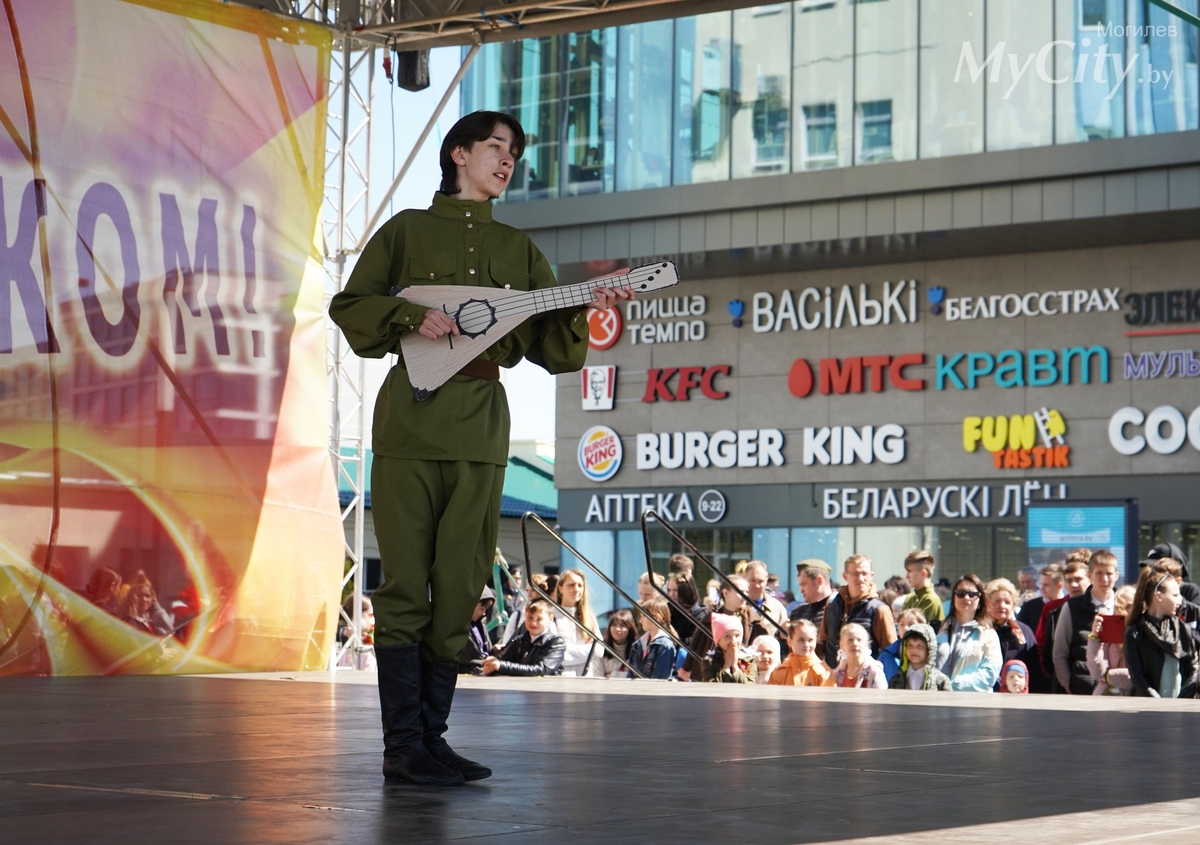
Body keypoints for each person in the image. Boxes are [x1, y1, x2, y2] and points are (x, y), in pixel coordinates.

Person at [329, 110, 633, 786]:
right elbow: (350, 308)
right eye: (496, 146)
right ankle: (402, 746)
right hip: (409, 419)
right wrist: (413, 315)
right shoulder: (406, 231)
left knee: (462, 584)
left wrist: (585, 305)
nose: (507, 160)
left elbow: (557, 353)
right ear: (458, 153)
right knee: (405, 583)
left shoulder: (519, 250)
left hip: (481, 424)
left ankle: (430, 740)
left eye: (514, 152)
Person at [1124, 566, 1198, 698]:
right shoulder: (1135, 631)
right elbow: (1137, 676)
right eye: (1175, 595)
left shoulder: (1182, 629)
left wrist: (1183, 698)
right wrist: (1157, 702)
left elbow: (1194, 667)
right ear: (1158, 596)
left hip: (1181, 704)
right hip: (1146, 705)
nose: (1180, 600)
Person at [1054, 550, 1120, 695]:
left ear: (1116, 575)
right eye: (1099, 573)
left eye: (1109, 573)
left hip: (1119, 689)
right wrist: (1069, 684)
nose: (1104, 579)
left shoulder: (1124, 604)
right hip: (1082, 688)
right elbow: (1059, 652)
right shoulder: (1073, 607)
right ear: (1090, 576)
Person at [820, 554, 897, 668]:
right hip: (832, 675)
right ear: (845, 576)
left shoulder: (879, 609)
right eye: (855, 574)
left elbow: (890, 652)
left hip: (865, 676)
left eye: (864, 574)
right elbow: (822, 643)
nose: (860, 578)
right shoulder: (832, 604)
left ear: (871, 576)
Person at [936, 574, 1001, 692]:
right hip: (937, 699)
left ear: (980, 600)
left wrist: (952, 685)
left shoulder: (989, 635)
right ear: (953, 597)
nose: (966, 598)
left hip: (972, 701)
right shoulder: (940, 630)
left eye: (972, 594)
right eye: (960, 593)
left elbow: (990, 674)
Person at [1036, 551, 1091, 692]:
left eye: (1078, 578)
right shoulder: (1054, 609)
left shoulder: (1105, 605)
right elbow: (1044, 646)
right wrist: (1059, 678)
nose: (1074, 584)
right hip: (1065, 684)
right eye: (1069, 579)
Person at [680, 574, 751, 681]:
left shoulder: (751, 618)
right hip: (715, 670)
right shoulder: (711, 619)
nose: (745, 595)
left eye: (746, 592)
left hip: (742, 670)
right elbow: (698, 643)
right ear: (726, 593)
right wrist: (687, 667)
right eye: (740, 591)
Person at [483, 600, 565, 677]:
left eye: (539, 619)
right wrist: (491, 667)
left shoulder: (556, 642)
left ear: (550, 618)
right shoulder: (519, 641)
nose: (533, 623)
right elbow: (504, 662)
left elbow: (543, 670)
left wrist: (500, 666)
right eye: (530, 617)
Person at [984, 578, 1038, 693]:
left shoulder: (1023, 632)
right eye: (996, 601)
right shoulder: (980, 631)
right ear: (987, 604)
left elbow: (1034, 668)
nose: (1002, 606)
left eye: (1007, 602)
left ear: (1013, 605)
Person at [1086, 585, 1135, 696]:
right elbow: (1097, 673)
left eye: (1128, 606)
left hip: (1133, 698)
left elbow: (1136, 677)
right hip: (1105, 696)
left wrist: (1108, 676)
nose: (1123, 612)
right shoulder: (1110, 632)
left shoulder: (1143, 633)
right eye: (1118, 607)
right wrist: (1095, 638)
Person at [554, 569, 601, 677]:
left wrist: (566, 647)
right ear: (560, 589)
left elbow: (599, 651)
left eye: (580, 585)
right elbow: (554, 656)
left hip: (585, 679)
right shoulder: (552, 616)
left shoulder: (589, 617)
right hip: (560, 679)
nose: (576, 589)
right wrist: (586, 654)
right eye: (571, 585)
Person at [768, 619, 834, 687]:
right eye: (801, 640)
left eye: (810, 640)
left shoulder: (824, 672)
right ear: (789, 642)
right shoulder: (779, 673)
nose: (806, 645)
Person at [888, 623, 951, 691]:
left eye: (920, 646)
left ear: (930, 649)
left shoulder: (941, 681)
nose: (913, 650)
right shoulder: (896, 680)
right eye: (909, 645)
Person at [628, 598, 678, 680]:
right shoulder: (638, 644)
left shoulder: (664, 645)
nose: (640, 621)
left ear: (656, 617)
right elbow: (630, 675)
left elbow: (660, 678)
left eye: (643, 616)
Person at [743, 561, 789, 645]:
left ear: (766, 581)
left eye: (760, 581)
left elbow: (785, 639)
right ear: (744, 579)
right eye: (752, 580)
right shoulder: (735, 605)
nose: (756, 585)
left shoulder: (777, 607)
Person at [879, 608, 926, 683]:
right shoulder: (886, 656)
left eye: (911, 624)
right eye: (902, 624)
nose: (906, 628)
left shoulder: (928, 654)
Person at [833, 623, 887, 689]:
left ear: (866, 645)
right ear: (842, 645)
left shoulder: (874, 672)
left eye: (859, 640)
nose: (855, 644)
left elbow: (882, 695)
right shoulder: (836, 674)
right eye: (850, 640)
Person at [705, 613, 755, 683]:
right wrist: (727, 665)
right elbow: (711, 686)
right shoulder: (710, 661)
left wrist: (735, 666)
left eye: (737, 636)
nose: (733, 641)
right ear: (718, 640)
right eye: (727, 636)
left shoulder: (749, 659)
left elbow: (749, 686)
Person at [901, 551, 945, 626]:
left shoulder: (931, 600)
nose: (906, 576)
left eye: (909, 571)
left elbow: (918, 630)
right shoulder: (910, 598)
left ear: (923, 573)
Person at [458, 587, 495, 675]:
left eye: (486, 609)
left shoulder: (480, 624)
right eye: (482, 608)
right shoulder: (457, 625)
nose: (484, 613)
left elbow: (482, 652)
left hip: (482, 672)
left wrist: (494, 651)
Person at [789, 560, 834, 630]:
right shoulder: (798, 613)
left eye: (804, 584)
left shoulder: (839, 609)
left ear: (819, 581)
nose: (801, 590)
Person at [1017, 563, 1063, 629]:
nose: (1041, 588)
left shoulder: (1069, 605)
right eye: (1041, 584)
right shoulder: (1029, 607)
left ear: (1059, 585)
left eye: (1046, 585)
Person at [600, 609, 637, 678]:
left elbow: (637, 677)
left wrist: (612, 675)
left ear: (630, 628)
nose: (617, 629)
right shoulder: (601, 649)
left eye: (622, 625)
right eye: (614, 625)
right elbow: (597, 678)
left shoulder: (637, 650)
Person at [666, 573, 703, 642]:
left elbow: (698, 641)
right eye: (669, 590)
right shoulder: (668, 609)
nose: (671, 594)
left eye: (675, 590)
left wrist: (677, 641)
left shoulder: (698, 614)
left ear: (685, 591)